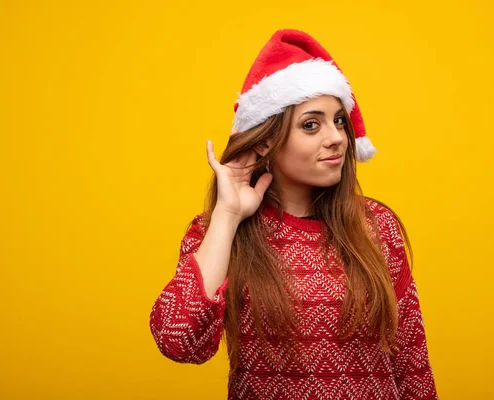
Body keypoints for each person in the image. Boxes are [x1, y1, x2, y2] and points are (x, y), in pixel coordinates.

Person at [149, 29, 439, 399]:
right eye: (310, 124)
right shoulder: (218, 233)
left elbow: (411, 361)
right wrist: (227, 215)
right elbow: (179, 342)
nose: (336, 137)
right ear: (266, 139)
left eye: (338, 121)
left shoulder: (376, 226)